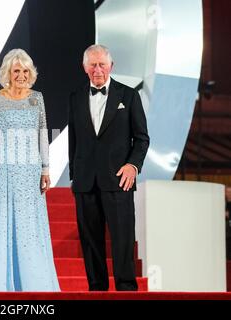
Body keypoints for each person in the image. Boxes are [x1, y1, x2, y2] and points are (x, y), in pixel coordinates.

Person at [0, 49, 60, 291]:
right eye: (16, 70)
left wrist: (46, 169)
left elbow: (42, 135)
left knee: (29, 230)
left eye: (25, 70)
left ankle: (32, 284)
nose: (21, 75)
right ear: (7, 73)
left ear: (31, 73)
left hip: (29, 174)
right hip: (1, 174)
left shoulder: (37, 98)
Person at [68, 44, 150, 291]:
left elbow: (142, 138)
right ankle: (97, 290)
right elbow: (74, 140)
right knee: (90, 242)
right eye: (92, 64)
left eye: (102, 64)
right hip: (85, 182)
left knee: (122, 239)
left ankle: (126, 290)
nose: (97, 69)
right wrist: (75, 175)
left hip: (118, 180)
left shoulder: (129, 96)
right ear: (85, 68)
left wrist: (132, 166)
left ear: (111, 66)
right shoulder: (75, 96)